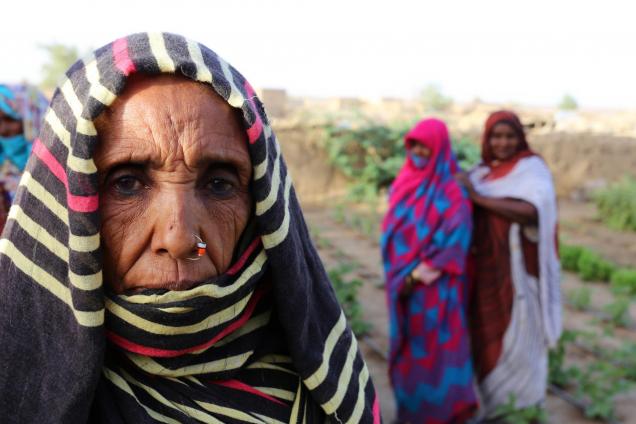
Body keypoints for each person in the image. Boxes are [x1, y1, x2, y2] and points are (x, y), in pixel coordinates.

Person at [0, 33, 380, 423]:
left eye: (219, 185)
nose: (182, 240)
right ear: (70, 206)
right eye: (127, 183)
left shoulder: (319, 395)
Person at [456, 110, 561, 419]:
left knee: (521, 338)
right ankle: (493, 408)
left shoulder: (531, 170)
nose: (502, 142)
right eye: (496, 136)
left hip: (518, 278)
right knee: (485, 339)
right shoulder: (480, 173)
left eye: (509, 136)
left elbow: (530, 211)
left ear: (520, 138)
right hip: (485, 273)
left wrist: (477, 197)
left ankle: (523, 407)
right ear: (486, 139)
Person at [381, 118, 477, 423]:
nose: (419, 151)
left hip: (435, 292)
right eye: (415, 145)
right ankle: (412, 414)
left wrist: (415, 275)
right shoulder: (404, 182)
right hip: (403, 288)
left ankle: (441, 414)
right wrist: (403, 278)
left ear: (440, 149)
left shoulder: (452, 193)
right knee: (410, 353)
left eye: (426, 146)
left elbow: (455, 242)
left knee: (436, 356)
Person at [0, 84, 48, 231]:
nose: (3, 130)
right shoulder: (3, 170)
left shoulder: (59, 173)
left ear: (33, 119)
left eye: (10, 119)